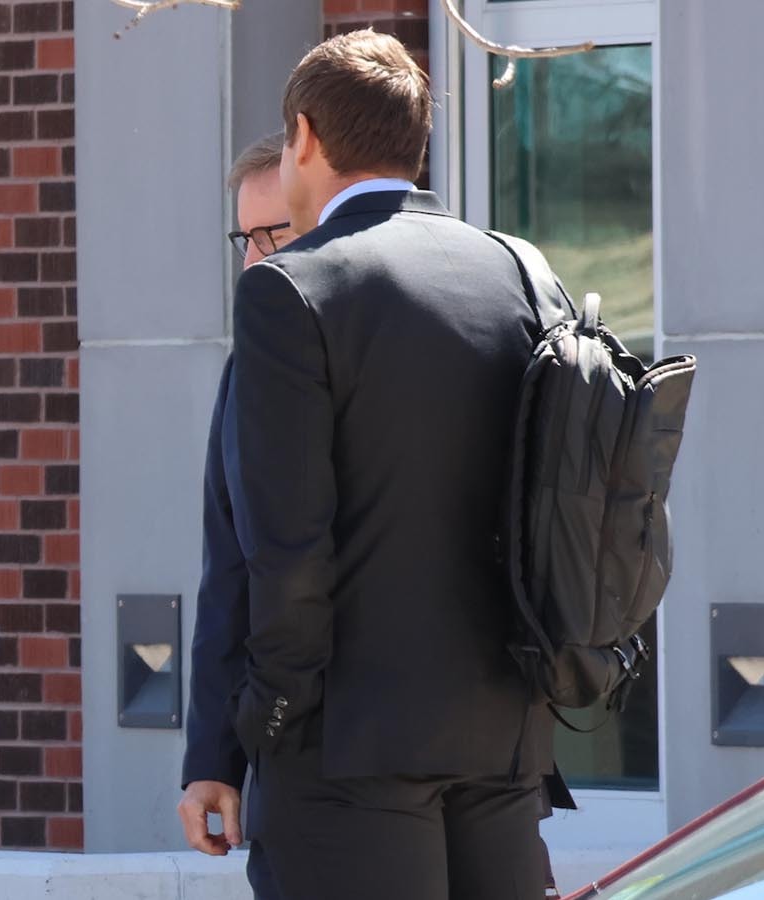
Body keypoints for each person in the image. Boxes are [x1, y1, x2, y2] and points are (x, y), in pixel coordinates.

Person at [225, 31, 555, 898]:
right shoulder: (521, 271)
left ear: (304, 135)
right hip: (506, 735)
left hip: (345, 749)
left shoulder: (289, 287)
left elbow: (287, 548)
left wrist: (268, 720)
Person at [177, 132, 294, 857]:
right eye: (244, 239)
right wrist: (214, 758)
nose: (254, 260)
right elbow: (230, 571)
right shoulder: (249, 366)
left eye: (272, 234)